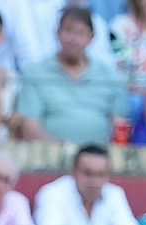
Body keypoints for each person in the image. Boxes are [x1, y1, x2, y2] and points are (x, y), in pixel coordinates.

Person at [15, 6, 129, 142]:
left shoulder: (109, 76)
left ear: (91, 37)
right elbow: (30, 125)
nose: (73, 39)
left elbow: (119, 123)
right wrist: (59, 149)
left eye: (80, 33)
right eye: (68, 31)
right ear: (57, 33)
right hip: (50, 154)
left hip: (100, 157)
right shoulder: (35, 73)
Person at [33, 143, 141, 225]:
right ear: (73, 172)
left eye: (100, 174)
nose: (94, 181)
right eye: (88, 174)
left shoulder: (114, 194)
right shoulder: (52, 192)